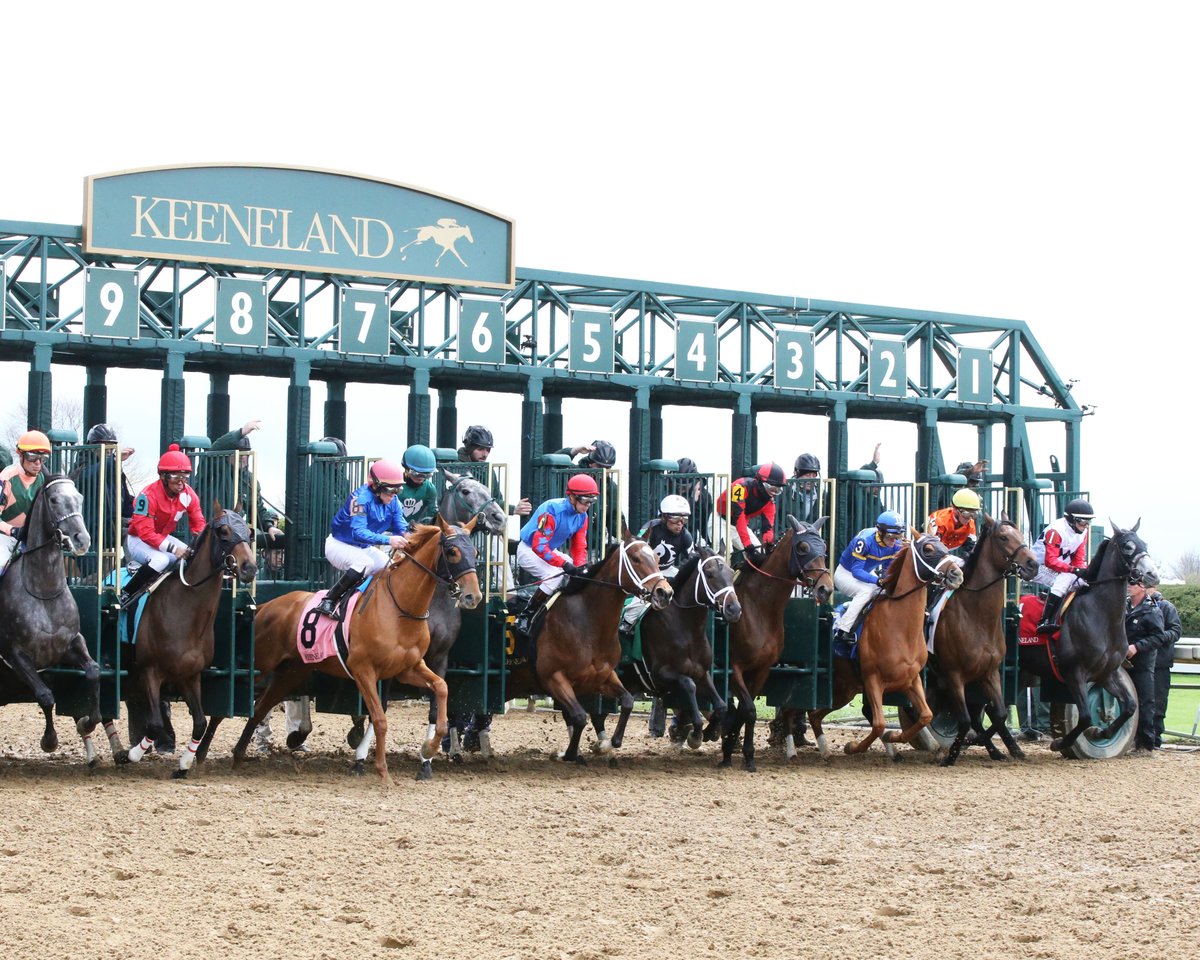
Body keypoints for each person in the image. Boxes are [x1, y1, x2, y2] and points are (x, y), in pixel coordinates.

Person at [315, 458, 411, 619]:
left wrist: (411, 538)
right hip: (339, 544)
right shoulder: (359, 499)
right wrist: (389, 540)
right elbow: (358, 533)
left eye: (397, 491)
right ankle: (328, 601)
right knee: (365, 563)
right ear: (375, 486)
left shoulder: (393, 501)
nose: (393, 496)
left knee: (390, 566)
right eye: (389, 490)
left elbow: (402, 528)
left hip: (363, 547)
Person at [121, 444, 207, 608]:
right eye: (176, 477)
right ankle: (127, 593)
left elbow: (198, 524)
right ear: (164, 477)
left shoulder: (188, 494)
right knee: (161, 559)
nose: (181, 483)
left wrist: (202, 542)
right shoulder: (147, 496)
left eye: (185, 477)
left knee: (193, 557)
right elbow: (145, 533)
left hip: (161, 536)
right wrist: (174, 549)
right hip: (138, 539)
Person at [513, 473, 596, 633]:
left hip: (549, 550)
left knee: (579, 573)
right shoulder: (551, 510)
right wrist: (564, 564)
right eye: (585, 501)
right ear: (571, 497)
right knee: (553, 578)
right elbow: (539, 546)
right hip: (529, 550)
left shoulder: (583, 516)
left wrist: (578, 568)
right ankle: (525, 616)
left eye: (591, 502)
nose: (587, 506)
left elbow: (579, 547)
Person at [621, 494, 693, 635]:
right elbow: (640, 551)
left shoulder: (686, 535)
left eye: (684, 519)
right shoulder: (651, 528)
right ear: (664, 517)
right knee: (642, 598)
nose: (680, 523)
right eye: (676, 519)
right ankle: (627, 622)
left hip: (669, 570)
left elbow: (691, 558)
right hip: (648, 571)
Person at [208, 420, 285, 551]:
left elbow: (257, 508)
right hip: (210, 536)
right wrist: (241, 432)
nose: (243, 457)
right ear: (227, 455)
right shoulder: (212, 470)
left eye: (246, 453)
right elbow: (215, 448)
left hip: (233, 539)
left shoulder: (250, 479)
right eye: (239, 453)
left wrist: (269, 526)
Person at [831, 509, 906, 641]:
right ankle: (843, 629)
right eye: (890, 536)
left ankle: (858, 612)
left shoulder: (896, 545)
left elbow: (888, 567)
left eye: (898, 536)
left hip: (866, 571)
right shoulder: (864, 541)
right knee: (867, 591)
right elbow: (856, 571)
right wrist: (878, 580)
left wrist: (886, 579)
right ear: (880, 532)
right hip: (845, 573)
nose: (894, 540)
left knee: (885, 591)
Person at [1031, 498, 1093, 633]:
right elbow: (1050, 561)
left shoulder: (1083, 533)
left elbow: (1078, 559)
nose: (1086, 526)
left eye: (1088, 522)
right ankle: (1046, 620)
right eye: (1083, 522)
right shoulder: (1056, 530)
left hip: (1060, 568)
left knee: (1087, 581)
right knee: (1065, 578)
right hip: (1037, 567)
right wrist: (1073, 569)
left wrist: (1081, 571)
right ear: (1071, 520)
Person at [0, 430, 53, 569]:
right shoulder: (6, 478)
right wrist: (12, 530)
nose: (38, 463)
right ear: (21, 455)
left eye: (42, 458)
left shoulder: (44, 480)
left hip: (32, 539)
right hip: (4, 538)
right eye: (32, 457)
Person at [1125, 580, 1166, 753]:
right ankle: (1128, 740)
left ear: (1142, 587)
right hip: (1124, 663)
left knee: (1145, 701)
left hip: (1142, 663)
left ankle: (1146, 743)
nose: (1128, 585)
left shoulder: (1152, 610)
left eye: (1133, 583)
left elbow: (1158, 637)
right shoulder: (1124, 606)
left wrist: (1137, 647)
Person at [457, 424, 532, 517]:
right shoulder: (456, 467)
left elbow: (496, 499)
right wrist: (512, 509)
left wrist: (513, 508)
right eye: (480, 449)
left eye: (488, 450)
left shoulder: (488, 469)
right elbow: (475, 500)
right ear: (469, 447)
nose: (485, 454)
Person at [716, 462, 785, 559]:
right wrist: (748, 545)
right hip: (719, 520)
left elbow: (768, 528)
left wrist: (768, 544)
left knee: (760, 552)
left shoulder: (770, 504)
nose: (773, 493)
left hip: (738, 524)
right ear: (760, 481)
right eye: (772, 488)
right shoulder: (739, 487)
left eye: (777, 490)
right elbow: (738, 516)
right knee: (726, 554)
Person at [1150, 589, 1183, 749]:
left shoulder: (1166, 607)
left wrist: (1156, 637)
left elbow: (1175, 631)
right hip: (1143, 661)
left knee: (1158, 700)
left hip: (1160, 662)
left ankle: (1155, 738)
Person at [926, 488, 982, 564]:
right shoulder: (940, 520)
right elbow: (934, 549)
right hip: (930, 550)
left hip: (945, 551)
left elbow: (971, 549)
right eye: (966, 513)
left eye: (974, 513)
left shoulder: (970, 524)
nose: (970, 517)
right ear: (955, 510)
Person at [671, 458, 712, 543]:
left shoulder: (704, 496)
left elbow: (704, 524)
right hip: (669, 535)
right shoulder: (666, 488)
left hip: (689, 537)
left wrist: (710, 543)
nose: (681, 488)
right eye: (678, 485)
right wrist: (692, 500)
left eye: (685, 486)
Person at [397, 444, 439, 525]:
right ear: (406, 468)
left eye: (427, 475)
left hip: (414, 530)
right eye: (417, 474)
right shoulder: (395, 484)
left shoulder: (429, 488)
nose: (421, 478)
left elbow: (433, 514)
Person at [788, 453, 822, 525]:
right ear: (797, 474)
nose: (811, 479)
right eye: (807, 475)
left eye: (814, 475)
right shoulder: (784, 492)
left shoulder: (821, 495)